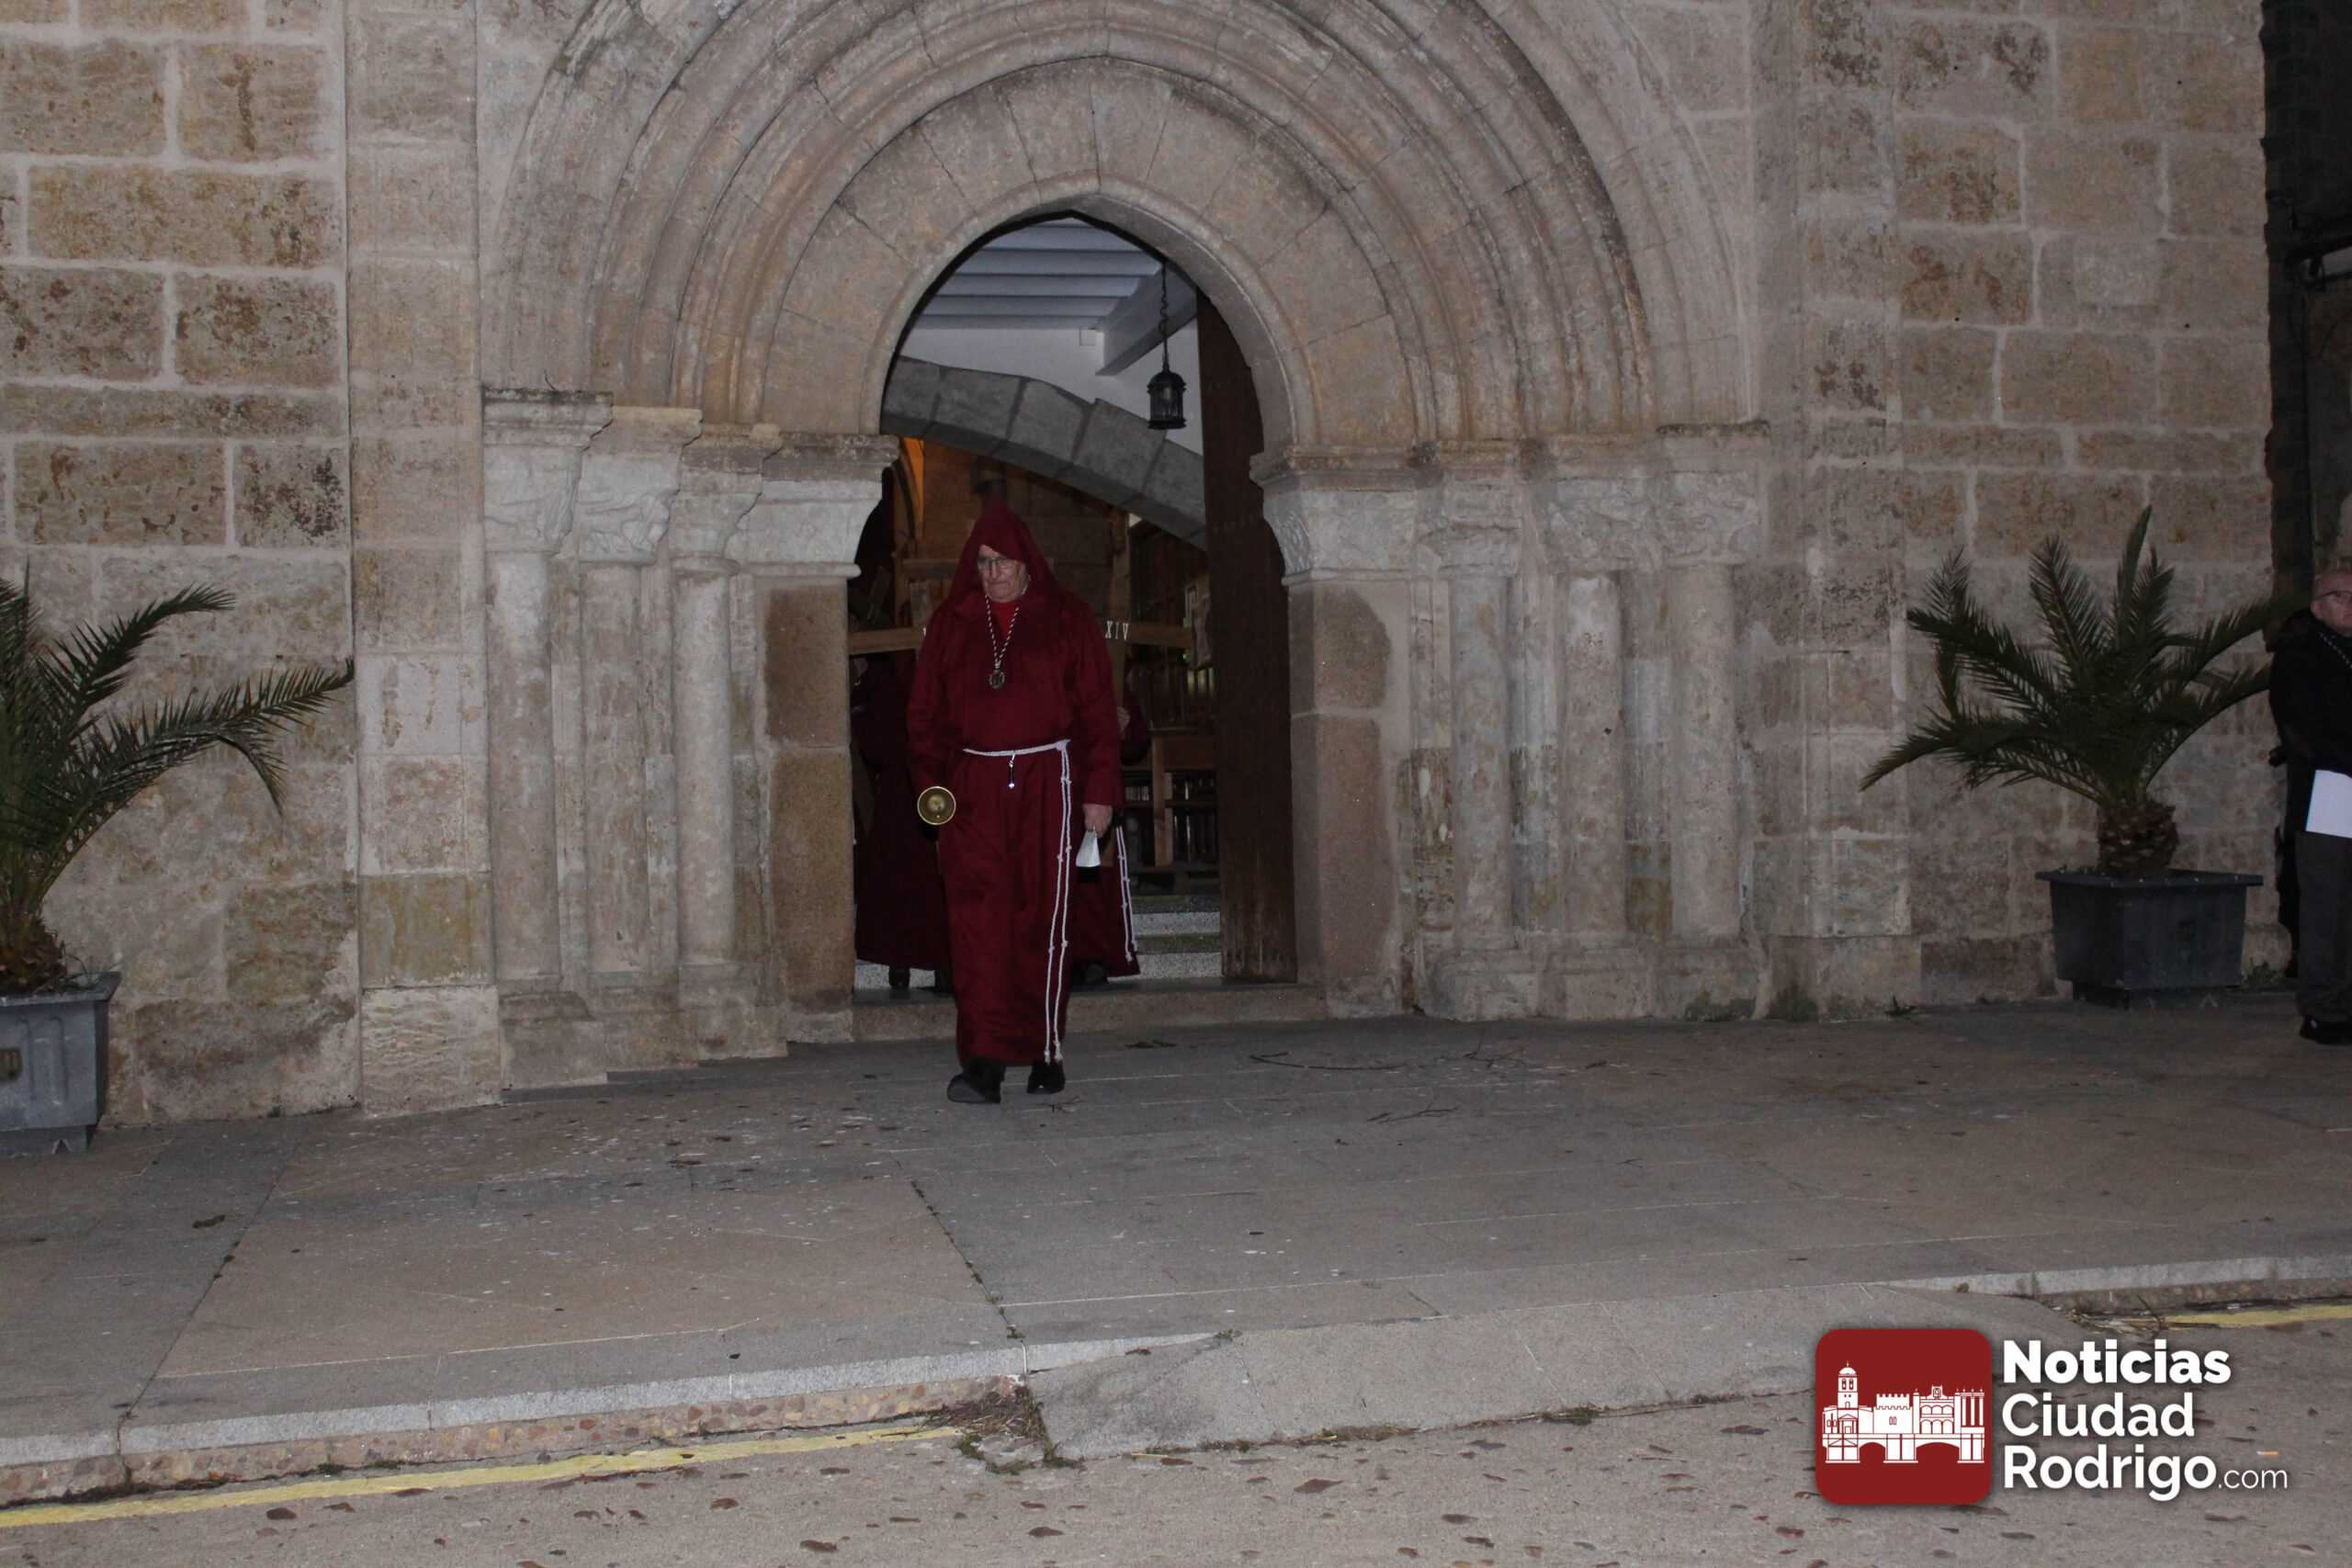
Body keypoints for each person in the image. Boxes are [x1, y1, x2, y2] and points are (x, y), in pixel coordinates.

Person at [908, 498, 1120, 1102]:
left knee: (1041, 917)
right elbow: (924, 715)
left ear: (1027, 561)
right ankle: (984, 1058)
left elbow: (1098, 711)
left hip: (1048, 781)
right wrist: (932, 787)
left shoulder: (1067, 617)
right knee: (975, 923)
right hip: (972, 788)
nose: (993, 571)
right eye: (983, 562)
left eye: (1003, 560)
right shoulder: (952, 624)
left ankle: (1044, 1048)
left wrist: (1100, 792)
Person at [2267, 565, 2352, 1044]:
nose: (2351, 605)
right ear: (2318, 606)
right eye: (2341, 596)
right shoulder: (2301, 654)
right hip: (2330, 793)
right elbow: (2303, 728)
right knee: (2328, 904)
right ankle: (2324, 1009)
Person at [851, 652, 952, 995]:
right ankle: (921, 966)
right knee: (908, 878)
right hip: (908, 787)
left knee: (921, 877)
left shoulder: (892, 675)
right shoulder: (888, 675)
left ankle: (926, 965)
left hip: (928, 787)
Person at [1068, 665, 1151, 987]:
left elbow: (1136, 744)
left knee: (1092, 873)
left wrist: (1126, 727)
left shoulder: (1108, 672)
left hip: (1092, 786)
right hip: (1049, 781)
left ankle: (1091, 956)